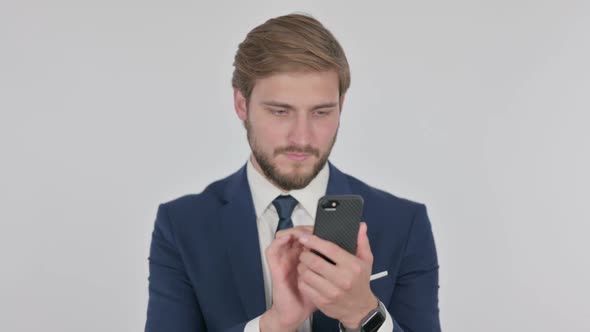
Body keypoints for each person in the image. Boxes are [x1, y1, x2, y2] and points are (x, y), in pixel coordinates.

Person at [145, 13, 440, 332]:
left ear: (341, 105)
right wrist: (274, 324)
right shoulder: (181, 224)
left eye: (321, 112)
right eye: (280, 111)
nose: (301, 138)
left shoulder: (403, 223)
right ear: (242, 104)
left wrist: (363, 314)